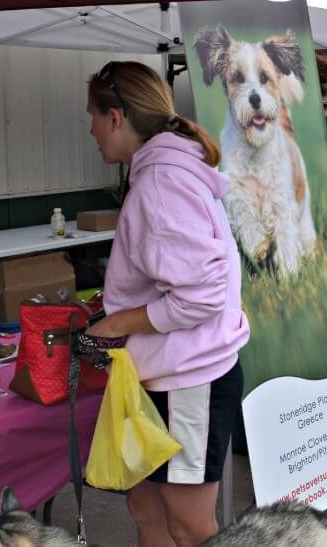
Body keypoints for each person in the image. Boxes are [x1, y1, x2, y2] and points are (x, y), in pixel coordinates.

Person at [82, 61, 249, 547]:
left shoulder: (161, 182)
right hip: (163, 375)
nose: (90, 129)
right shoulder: (165, 172)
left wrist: (118, 322)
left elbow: (200, 296)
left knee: (191, 528)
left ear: (116, 117)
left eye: (92, 115)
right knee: (147, 511)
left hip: (187, 380)